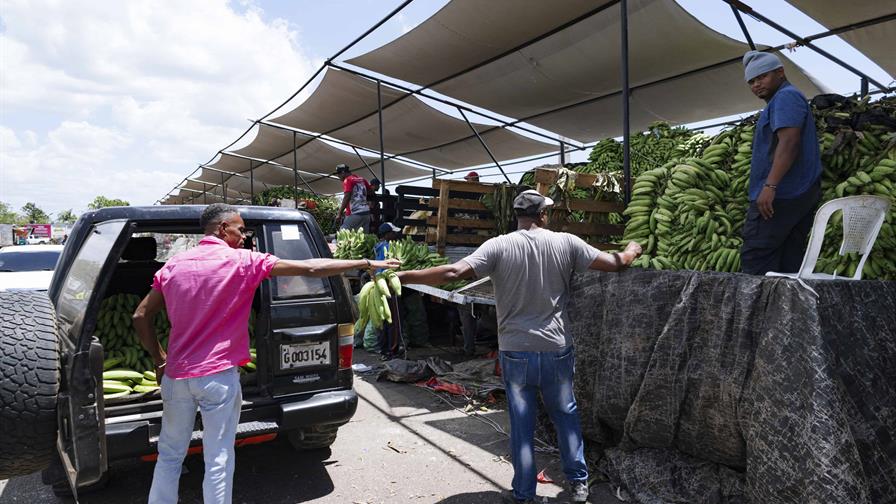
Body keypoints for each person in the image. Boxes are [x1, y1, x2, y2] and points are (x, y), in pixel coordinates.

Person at [132, 203, 399, 504]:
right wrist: (366, 262)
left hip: (176, 376)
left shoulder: (174, 265)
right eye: (240, 228)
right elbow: (311, 267)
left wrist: (160, 359)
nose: (244, 235)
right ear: (222, 229)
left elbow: (140, 316)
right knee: (217, 457)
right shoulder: (243, 261)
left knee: (169, 454)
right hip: (217, 377)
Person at [394, 190, 643, 504]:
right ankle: (579, 485)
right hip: (556, 347)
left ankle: (524, 494)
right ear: (542, 215)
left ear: (518, 216)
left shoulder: (497, 245)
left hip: (516, 349)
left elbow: (454, 272)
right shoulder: (567, 242)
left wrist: (403, 276)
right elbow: (615, 263)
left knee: (522, 423)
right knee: (565, 416)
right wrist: (632, 249)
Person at [740, 50, 822, 275]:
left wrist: (770, 186)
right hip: (795, 193)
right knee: (786, 264)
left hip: (781, 196)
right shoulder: (783, 99)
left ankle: (754, 310)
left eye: (762, 77)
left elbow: (789, 142)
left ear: (780, 72)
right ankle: (782, 310)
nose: (757, 84)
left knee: (755, 258)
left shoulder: (786, 97)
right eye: (752, 81)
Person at [335, 163, 372, 231]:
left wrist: (339, 213)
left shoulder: (348, 180)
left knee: (343, 233)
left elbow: (347, 196)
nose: (338, 176)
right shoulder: (362, 180)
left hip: (354, 213)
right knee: (363, 238)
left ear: (343, 172)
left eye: (339, 174)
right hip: (366, 213)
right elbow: (370, 192)